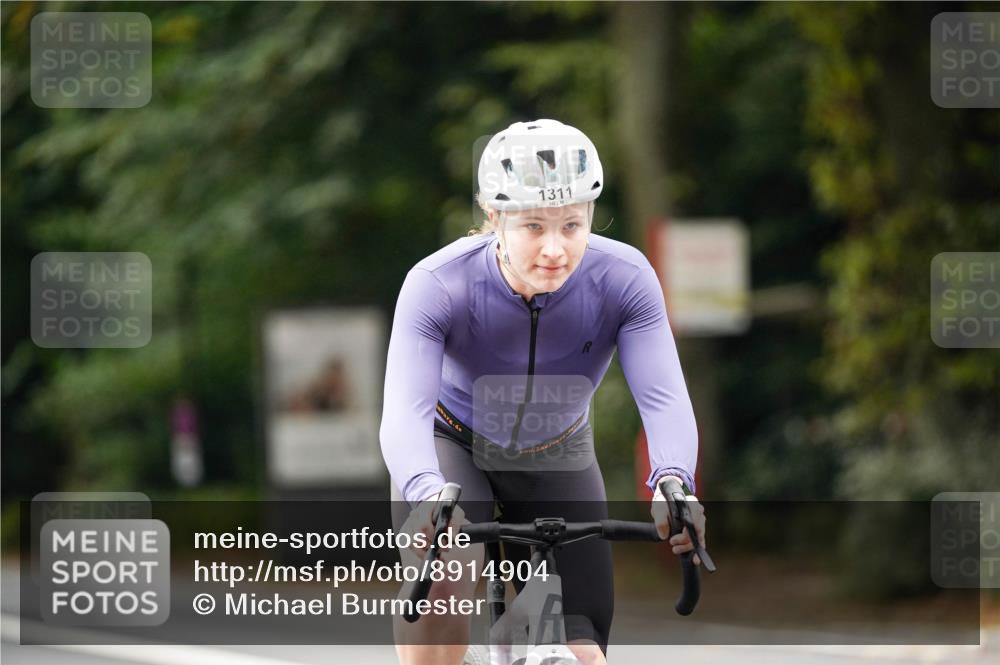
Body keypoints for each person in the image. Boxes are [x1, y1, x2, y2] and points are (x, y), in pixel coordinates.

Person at [380, 119, 706, 665]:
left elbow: (664, 396)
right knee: (444, 577)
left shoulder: (625, 278)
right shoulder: (439, 284)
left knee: (582, 652)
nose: (555, 249)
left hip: (557, 449)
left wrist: (675, 482)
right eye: (533, 226)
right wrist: (425, 491)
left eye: (572, 226)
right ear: (493, 218)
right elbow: (403, 413)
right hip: (451, 445)